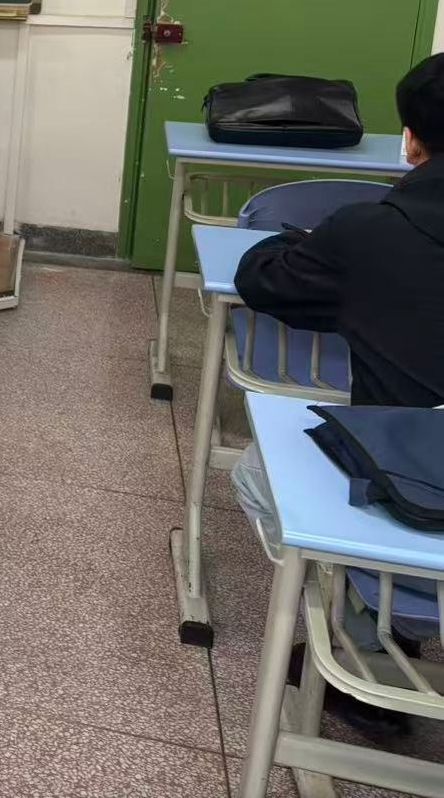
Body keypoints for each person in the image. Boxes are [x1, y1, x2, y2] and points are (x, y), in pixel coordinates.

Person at [229, 53, 444, 722]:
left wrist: (313, 244)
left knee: (255, 471)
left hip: (420, 499)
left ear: (412, 142)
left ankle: (363, 646)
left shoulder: (369, 233)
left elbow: (263, 280)